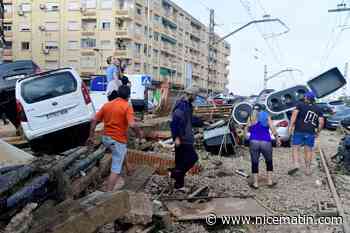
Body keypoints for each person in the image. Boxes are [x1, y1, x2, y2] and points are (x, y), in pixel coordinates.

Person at [87, 85, 143, 192]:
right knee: (116, 169)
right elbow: (132, 125)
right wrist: (139, 133)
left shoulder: (108, 105)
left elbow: (94, 120)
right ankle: (108, 194)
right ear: (128, 96)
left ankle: (128, 168)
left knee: (122, 150)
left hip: (106, 138)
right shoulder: (127, 106)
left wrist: (91, 136)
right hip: (117, 140)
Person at [169, 86, 199, 193]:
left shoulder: (188, 105)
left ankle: (179, 186)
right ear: (191, 95)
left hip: (185, 137)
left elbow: (190, 120)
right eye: (195, 96)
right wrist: (176, 137)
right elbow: (174, 122)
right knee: (193, 158)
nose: (195, 98)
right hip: (183, 139)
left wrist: (202, 121)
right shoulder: (182, 106)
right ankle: (175, 173)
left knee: (180, 161)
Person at [288, 91, 324, 176]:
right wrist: (318, 132)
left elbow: (294, 115)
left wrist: (290, 127)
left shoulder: (300, 105)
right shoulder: (318, 109)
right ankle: (307, 169)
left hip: (299, 130)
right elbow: (321, 123)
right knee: (308, 150)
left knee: (295, 148)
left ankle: (296, 164)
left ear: (306, 98)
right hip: (310, 132)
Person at [247, 104, 281, 189]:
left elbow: (247, 128)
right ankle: (269, 182)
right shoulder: (266, 115)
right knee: (269, 161)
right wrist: (277, 138)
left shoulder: (251, 116)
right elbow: (272, 127)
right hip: (265, 141)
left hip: (254, 141)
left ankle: (255, 183)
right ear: (263, 109)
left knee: (255, 162)